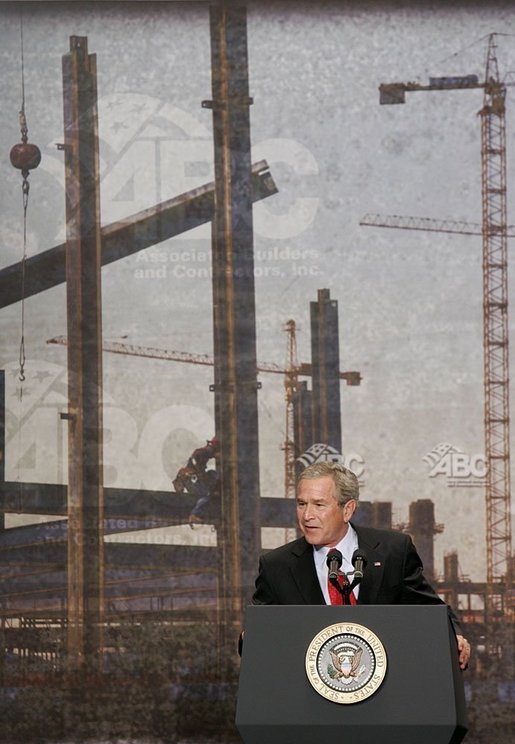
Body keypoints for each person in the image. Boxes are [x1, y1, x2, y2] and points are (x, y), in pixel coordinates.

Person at [251, 460, 471, 670]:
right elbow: (258, 633)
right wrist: (250, 637)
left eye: (319, 505)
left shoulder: (393, 551)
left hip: (386, 689)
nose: (307, 515)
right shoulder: (277, 565)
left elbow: (430, 610)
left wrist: (454, 635)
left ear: (348, 509)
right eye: (301, 504)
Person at [172, 437, 220, 526]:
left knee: (213, 474)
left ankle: (214, 490)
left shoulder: (203, 452)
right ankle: (194, 514)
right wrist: (210, 488)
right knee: (206, 495)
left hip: (190, 478)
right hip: (190, 479)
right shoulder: (203, 452)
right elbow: (199, 471)